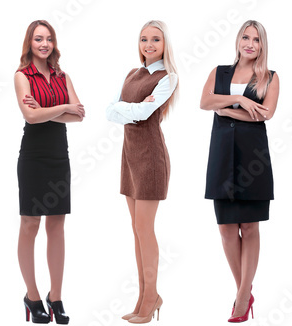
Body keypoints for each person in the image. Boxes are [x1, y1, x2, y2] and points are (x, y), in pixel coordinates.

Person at [199, 20, 280, 324]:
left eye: (256, 40)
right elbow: (205, 102)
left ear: (262, 46)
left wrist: (227, 108)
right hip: (221, 156)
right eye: (245, 37)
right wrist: (242, 100)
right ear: (238, 40)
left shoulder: (270, 78)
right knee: (226, 229)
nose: (249, 43)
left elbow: (265, 114)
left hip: (253, 157)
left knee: (250, 227)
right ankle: (244, 290)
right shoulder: (219, 72)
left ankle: (243, 297)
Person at [105, 20, 179, 324]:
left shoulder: (168, 77)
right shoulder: (131, 74)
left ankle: (152, 296)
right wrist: (130, 108)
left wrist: (128, 108)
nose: (149, 45)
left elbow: (144, 113)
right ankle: (143, 295)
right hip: (129, 157)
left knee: (145, 230)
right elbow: (110, 111)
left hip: (151, 159)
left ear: (164, 45)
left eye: (156, 40)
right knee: (136, 230)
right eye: (144, 39)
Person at [13, 19, 84, 325]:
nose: (44, 44)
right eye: (38, 39)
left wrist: (47, 110)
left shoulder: (62, 75)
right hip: (33, 156)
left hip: (59, 155)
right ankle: (32, 295)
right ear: (30, 43)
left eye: (49, 39)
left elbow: (79, 114)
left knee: (57, 224)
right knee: (30, 223)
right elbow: (30, 116)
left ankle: (56, 296)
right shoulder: (21, 76)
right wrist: (61, 108)